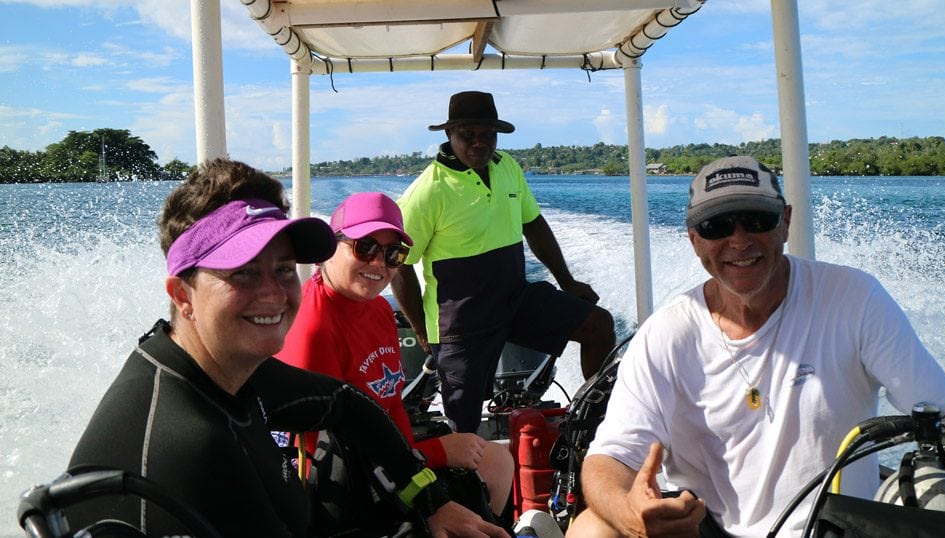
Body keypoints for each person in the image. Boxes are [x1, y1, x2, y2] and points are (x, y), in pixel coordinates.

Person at [568, 155, 945, 537]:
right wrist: (632, 515)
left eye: (758, 220)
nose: (739, 240)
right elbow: (609, 458)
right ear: (694, 240)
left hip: (833, 527)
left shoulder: (853, 300)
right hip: (708, 528)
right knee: (592, 528)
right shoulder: (666, 334)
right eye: (717, 225)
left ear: (785, 222)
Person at [66, 158, 509, 537]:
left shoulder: (228, 373)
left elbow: (347, 405)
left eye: (282, 269)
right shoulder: (187, 449)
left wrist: (432, 501)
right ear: (183, 296)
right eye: (242, 273)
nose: (274, 294)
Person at [391, 90, 616, 433]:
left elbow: (533, 224)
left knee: (599, 326)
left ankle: (592, 429)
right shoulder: (428, 191)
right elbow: (400, 265)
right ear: (449, 136)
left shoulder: (507, 166)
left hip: (514, 298)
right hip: (461, 322)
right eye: (468, 135)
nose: (479, 144)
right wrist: (422, 331)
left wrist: (566, 281)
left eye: (487, 135)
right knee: (464, 425)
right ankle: (471, 481)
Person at [278, 191, 514, 518]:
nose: (378, 264)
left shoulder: (379, 310)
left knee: (498, 461)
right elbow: (325, 453)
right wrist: (435, 454)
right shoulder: (314, 327)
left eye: (393, 254)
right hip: (343, 488)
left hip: (389, 460)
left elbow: (390, 403)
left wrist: (415, 457)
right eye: (365, 247)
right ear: (331, 246)